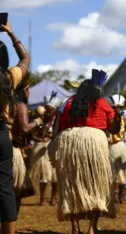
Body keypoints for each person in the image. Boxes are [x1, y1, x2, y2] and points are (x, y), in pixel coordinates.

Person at [51, 70, 121, 234]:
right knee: (97, 184)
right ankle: (91, 229)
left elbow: (59, 127)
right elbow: (113, 128)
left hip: (70, 141)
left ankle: (75, 228)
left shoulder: (68, 103)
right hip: (94, 141)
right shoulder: (101, 102)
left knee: (73, 183)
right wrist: (117, 116)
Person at [0, 19, 30, 234]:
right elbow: (25, 59)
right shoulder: (9, 77)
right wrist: (11, 33)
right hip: (1, 136)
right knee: (4, 186)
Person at [11, 81, 43, 215]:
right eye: (28, 90)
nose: (29, 93)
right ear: (24, 91)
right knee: (16, 190)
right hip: (13, 151)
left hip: (8, 147)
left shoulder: (6, 105)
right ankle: (9, 227)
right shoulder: (20, 105)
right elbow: (24, 128)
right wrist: (37, 121)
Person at [29, 92, 61, 206]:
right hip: (41, 149)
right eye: (46, 110)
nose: (48, 112)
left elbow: (59, 132)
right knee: (44, 174)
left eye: (50, 110)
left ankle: (54, 198)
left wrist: (51, 136)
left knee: (55, 174)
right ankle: (42, 199)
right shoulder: (39, 120)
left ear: (55, 110)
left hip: (54, 146)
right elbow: (31, 133)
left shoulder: (58, 119)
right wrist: (39, 138)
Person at [107, 94, 126, 204]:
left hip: (120, 146)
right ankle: (113, 195)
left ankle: (121, 195)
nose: (117, 109)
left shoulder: (124, 119)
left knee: (123, 174)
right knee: (112, 173)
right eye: (115, 107)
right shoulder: (107, 119)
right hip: (109, 147)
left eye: (119, 107)